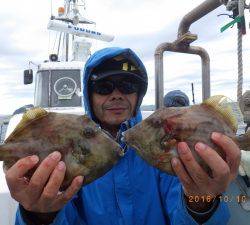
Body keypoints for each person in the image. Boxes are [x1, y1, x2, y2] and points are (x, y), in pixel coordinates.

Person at [6, 47, 240, 225]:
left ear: (139, 95)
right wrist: (38, 214)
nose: (117, 95)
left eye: (128, 85)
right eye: (104, 87)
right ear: (89, 94)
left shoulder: (158, 144)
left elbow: (182, 211)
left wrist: (202, 202)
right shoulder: (77, 142)